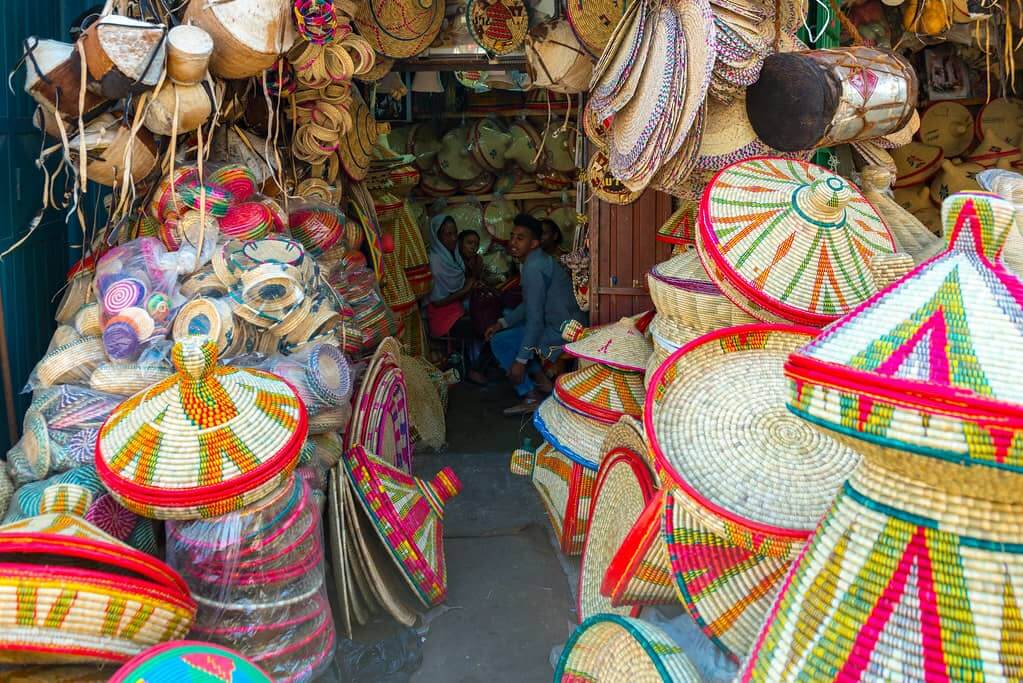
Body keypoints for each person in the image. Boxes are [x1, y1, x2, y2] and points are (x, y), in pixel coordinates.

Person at [485, 214, 585, 415]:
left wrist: (519, 362)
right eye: (512, 237)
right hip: (564, 324)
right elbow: (530, 304)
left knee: (502, 343)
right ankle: (543, 383)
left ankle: (531, 394)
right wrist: (502, 323)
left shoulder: (533, 267)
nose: (513, 242)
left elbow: (535, 320)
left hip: (563, 330)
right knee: (507, 336)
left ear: (534, 243)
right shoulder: (535, 261)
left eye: (520, 238)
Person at [426, 215, 475, 338]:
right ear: (437, 237)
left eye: (455, 233)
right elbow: (437, 302)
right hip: (441, 316)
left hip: (456, 309)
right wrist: (466, 289)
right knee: (478, 327)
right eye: (448, 234)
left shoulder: (454, 256)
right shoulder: (435, 261)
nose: (454, 238)